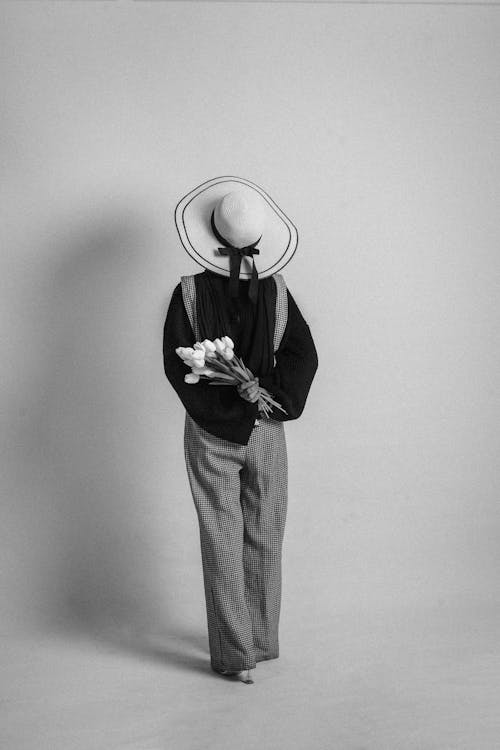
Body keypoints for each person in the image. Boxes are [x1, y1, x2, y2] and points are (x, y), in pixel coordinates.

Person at [163, 176, 318, 684]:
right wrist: (270, 398)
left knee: (222, 540)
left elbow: (175, 363)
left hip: (211, 434)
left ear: (210, 232)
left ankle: (237, 655)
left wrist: (223, 407)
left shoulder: (187, 292)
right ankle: (260, 640)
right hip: (266, 431)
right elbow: (302, 353)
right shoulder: (276, 289)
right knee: (266, 536)